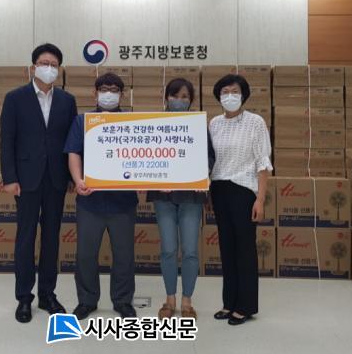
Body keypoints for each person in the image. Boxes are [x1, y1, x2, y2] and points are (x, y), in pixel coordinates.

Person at [0, 43, 77, 324]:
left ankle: (47, 294)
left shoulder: (67, 100)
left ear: (59, 69)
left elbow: (72, 142)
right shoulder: (15, 98)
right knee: (26, 237)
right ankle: (24, 297)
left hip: (56, 179)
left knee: (52, 238)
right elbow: (6, 140)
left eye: (54, 65)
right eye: (44, 63)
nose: (49, 68)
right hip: (26, 180)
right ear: (33, 67)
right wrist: (9, 178)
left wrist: (71, 177)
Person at [64, 72, 138, 320]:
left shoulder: (131, 122)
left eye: (114, 90)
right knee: (85, 254)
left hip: (123, 202)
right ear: (94, 93)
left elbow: (143, 157)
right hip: (90, 200)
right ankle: (87, 300)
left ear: (122, 95)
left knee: (124, 255)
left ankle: (123, 301)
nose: (109, 94)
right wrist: (78, 180)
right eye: (104, 89)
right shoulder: (82, 121)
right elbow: (74, 153)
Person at [208, 73, 272, 326]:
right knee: (226, 248)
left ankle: (245, 306)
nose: (230, 96)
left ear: (243, 95)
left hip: (244, 190)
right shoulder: (214, 123)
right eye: (225, 92)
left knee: (244, 248)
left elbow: (262, 162)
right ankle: (229, 302)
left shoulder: (255, 122)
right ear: (218, 97)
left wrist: (260, 199)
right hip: (219, 188)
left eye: (235, 91)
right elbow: (209, 159)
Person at [146, 78, 211, 320]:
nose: (179, 101)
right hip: (163, 196)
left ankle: (187, 301)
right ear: (166, 97)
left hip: (191, 196)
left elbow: (209, 158)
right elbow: (143, 157)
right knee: (168, 249)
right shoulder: (153, 124)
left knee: (191, 250)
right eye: (175, 96)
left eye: (185, 97)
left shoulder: (198, 125)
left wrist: (200, 174)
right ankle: (170, 299)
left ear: (191, 100)